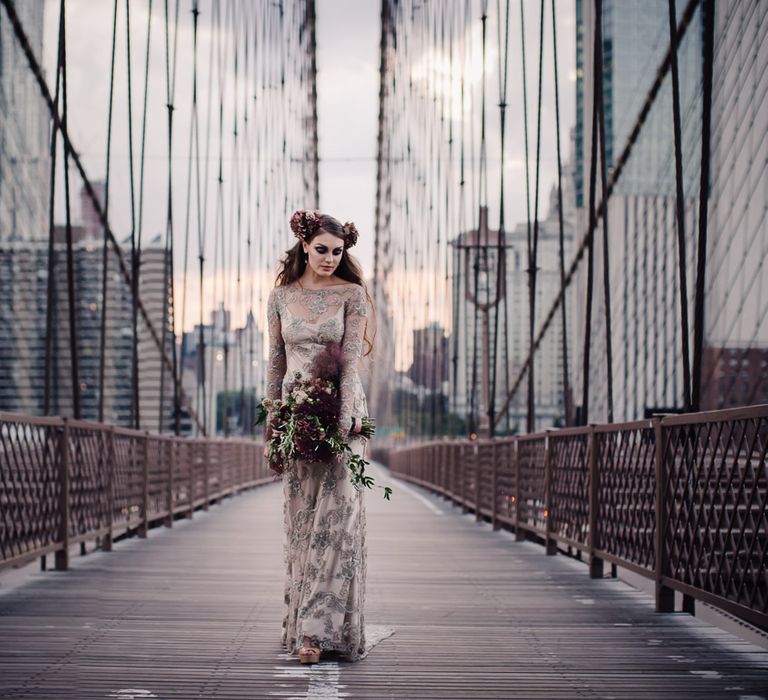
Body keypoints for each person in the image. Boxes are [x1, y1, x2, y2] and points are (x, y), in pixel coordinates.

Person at [264, 209, 374, 665]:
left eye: (338, 251)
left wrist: (345, 416)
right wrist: (272, 427)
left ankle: (318, 632)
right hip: (295, 413)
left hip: (342, 414)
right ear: (305, 246)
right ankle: (300, 624)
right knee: (304, 521)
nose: (330, 257)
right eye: (322, 249)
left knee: (338, 519)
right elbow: (275, 364)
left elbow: (351, 362)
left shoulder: (353, 295)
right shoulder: (279, 298)